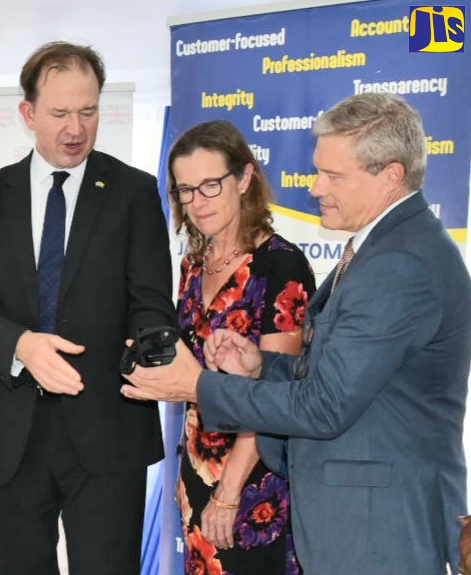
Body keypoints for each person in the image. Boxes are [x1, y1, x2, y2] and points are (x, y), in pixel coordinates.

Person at [122, 92, 471, 575]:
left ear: (390, 175)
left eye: (333, 175)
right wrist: (262, 364)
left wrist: (197, 385)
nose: (315, 187)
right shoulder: (384, 248)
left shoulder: (400, 264)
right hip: (356, 518)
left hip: (376, 525)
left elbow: (325, 405)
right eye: (317, 170)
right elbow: (334, 373)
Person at [0, 41, 175, 575]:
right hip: (11, 430)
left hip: (108, 427)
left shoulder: (134, 192)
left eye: (88, 112)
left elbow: (150, 301)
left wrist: (152, 351)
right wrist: (20, 344)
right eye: (60, 113)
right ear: (28, 113)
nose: (76, 128)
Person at [167, 120, 314, 575]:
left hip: (254, 481)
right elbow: (193, 383)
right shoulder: (194, 264)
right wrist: (187, 474)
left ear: (245, 178)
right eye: (185, 190)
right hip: (198, 473)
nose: (197, 202)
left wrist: (229, 493)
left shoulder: (280, 264)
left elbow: (275, 392)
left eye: (210, 185)